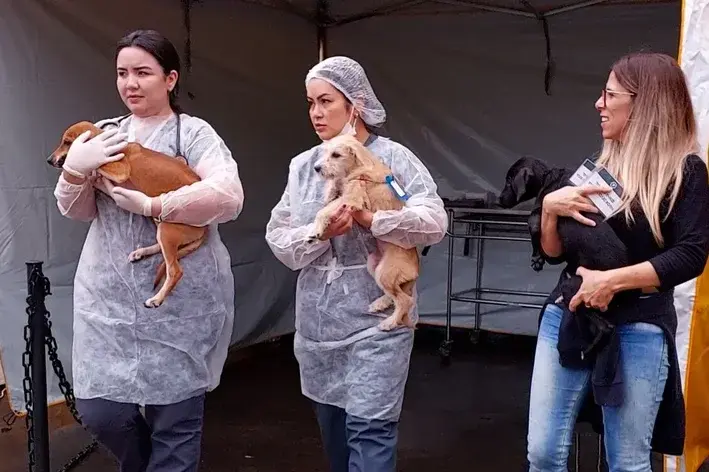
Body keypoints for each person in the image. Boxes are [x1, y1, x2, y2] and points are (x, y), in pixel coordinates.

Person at [52, 29, 244, 472]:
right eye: (122, 73)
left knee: (174, 425)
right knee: (103, 412)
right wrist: (76, 172)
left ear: (170, 79)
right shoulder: (102, 135)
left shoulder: (193, 134)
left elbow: (229, 197)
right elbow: (78, 212)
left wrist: (159, 205)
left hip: (181, 307)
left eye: (143, 72)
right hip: (110, 301)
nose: (130, 84)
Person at [526, 52, 709, 471]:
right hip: (569, 316)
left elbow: (690, 255)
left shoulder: (686, 172)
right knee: (542, 452)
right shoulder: (600, 167)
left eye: (609, 95)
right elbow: (556, 252)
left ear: (643, 105)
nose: (598, 103)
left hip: (640, 324)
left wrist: (612, 281)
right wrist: (550, 210)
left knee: (627, 461)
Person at [265, 56, 447, 471]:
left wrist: (375, 220)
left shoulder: (391, 162)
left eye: (326, 101)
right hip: (319, 328)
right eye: (310, 102)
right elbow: (279, 238)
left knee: (371, 430)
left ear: (355, 106)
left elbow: (433, 220)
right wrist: (319, 233)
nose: (315, 112)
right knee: (335, 433)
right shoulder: (304, 167)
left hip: (376, 324)